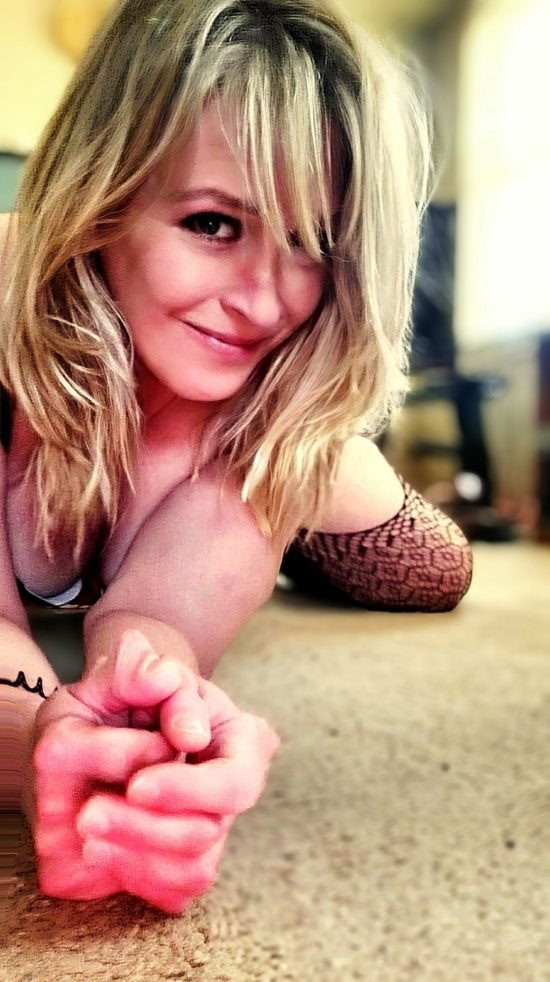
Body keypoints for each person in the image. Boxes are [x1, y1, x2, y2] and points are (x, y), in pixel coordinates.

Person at [0, 0, 472, 915]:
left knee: (431, 569)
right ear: (104, 191)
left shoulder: (260, 402)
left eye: (315, 242)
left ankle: (312, 479)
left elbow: (155, 625)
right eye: (215, 223)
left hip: (258, 425)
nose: (265, 301)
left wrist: (156, 705)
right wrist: (58, 747)